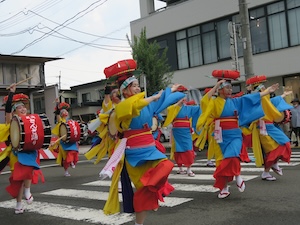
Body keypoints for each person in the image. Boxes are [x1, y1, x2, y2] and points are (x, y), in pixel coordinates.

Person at [98, 59, 185, 225]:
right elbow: (133, 106)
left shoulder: (146, 105)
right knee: (143, 193)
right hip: (134, 154)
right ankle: (140, 222)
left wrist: (172, 90)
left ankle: (149, 190)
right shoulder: (121, 108)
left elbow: (161, 101)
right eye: (135, 85)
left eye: (138, 85)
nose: (138, 88)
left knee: (166, 165)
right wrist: (154, 97)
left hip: (150, 150)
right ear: (125, 90)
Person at [196, 70, 279, 199]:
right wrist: (216, 86)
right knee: (221, 160)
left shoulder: (235, 101)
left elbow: (249, 99)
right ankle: (224, 187)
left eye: (231, 88)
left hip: (235, 134)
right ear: (221, 90)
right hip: (220, 135)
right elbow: (204, 101)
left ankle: (238, 176)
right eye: (227, 88)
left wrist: (267, 92)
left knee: (233, 156)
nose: (230, 90)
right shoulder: (214, 101)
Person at [0, 83, 44, 214]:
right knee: (19, 179)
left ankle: (27, 191)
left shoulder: (31, 121)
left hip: (30, 150)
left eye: (24, 107)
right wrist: (11, 93)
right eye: (19, 108)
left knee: (29, 170)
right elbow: (8, 111)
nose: (23, 109)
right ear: (15, 111)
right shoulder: (12, 121)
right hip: (16, 153)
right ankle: (19, 204)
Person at [246, 75, 292, 181]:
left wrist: (283, 95)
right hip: (262, 126)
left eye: (263, 85)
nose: (262, 87)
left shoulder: (265, 99)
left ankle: (273, 165)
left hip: (269, 125)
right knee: (272, 149)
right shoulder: (256, 99)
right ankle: (267, 172)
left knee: (284, 144)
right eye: (259, 86)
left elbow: (271, 102)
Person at [163, 85, 201, 177]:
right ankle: (180, 168)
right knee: (178, 150)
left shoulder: (189, 108)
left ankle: (189, 168)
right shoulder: (173, 107)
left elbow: (200, 108)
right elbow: (169, 111)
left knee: (188, 149)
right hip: (177, 131)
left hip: (186, 131)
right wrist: (178, 102)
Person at [50, 100, 79, 177]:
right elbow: (57, 113)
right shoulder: (60, 121)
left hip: (71, 140)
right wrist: (57, 104)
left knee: (74, 151)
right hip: (63, 141)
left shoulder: (70, 121)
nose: (65, 112)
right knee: (65, 158)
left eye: (66, 111)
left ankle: (72, 161)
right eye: (63, 111)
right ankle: (66, 170)